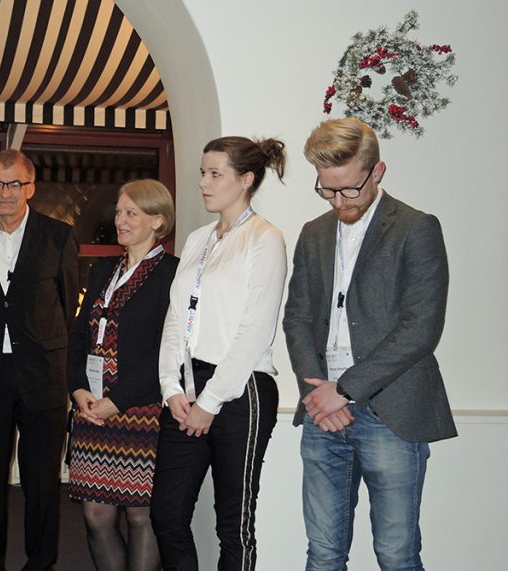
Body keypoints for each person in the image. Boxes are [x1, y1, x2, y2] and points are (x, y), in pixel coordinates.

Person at [284, 117, 456, 571]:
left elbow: (421, 326)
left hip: (391, 411)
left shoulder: (416, 228)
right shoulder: (313, 232)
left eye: (349, 190)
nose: (339, 201)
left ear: (377, 172)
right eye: (327, 189)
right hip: (322, 410)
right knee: (322, 554)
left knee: (396, 554)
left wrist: (345, 389)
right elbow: (297, 317)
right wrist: (317, 391)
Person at [151, 136, 288, 570]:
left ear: (245, 180)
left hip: (240, 391)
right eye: (202, 173)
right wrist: (170, 386)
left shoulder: (264, 238)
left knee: (233, 523)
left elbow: (255, 332)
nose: (203, 183)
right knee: (167, 515)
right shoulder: (196, 239)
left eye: (215, 174)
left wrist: (210, 402)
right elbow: (176, 317)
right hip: (186, 388)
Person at [0, 149, 80, 571]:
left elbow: (68, 309)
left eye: (14, 184)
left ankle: (40, 563)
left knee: (41, 481)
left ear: (30, 188)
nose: (4, 192)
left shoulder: (58, 236)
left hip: (43, 375)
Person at [67, 179, 180, 571]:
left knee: (140, 517)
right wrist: (78, 389)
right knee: (96, 516)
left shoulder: (171, 274)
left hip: (142, 412)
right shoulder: (102, 271)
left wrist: (118, 401)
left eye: (132, 212)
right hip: (93, 409)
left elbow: (167, 350)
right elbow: (80, 333)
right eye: (118, 211)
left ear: (158, 221)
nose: (120, 219)